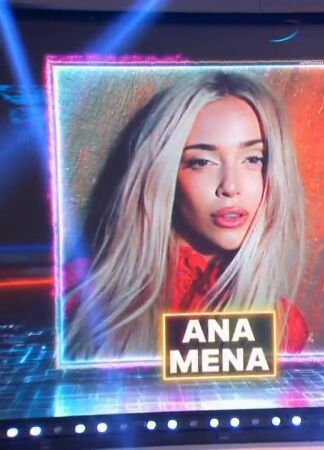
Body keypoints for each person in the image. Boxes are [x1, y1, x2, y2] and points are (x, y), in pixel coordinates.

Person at [63, 72, 308, 360]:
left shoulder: (283, 328)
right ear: (164, 174)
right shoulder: (81, 292)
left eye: (254, 159)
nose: (230, 186)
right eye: (202, 161)